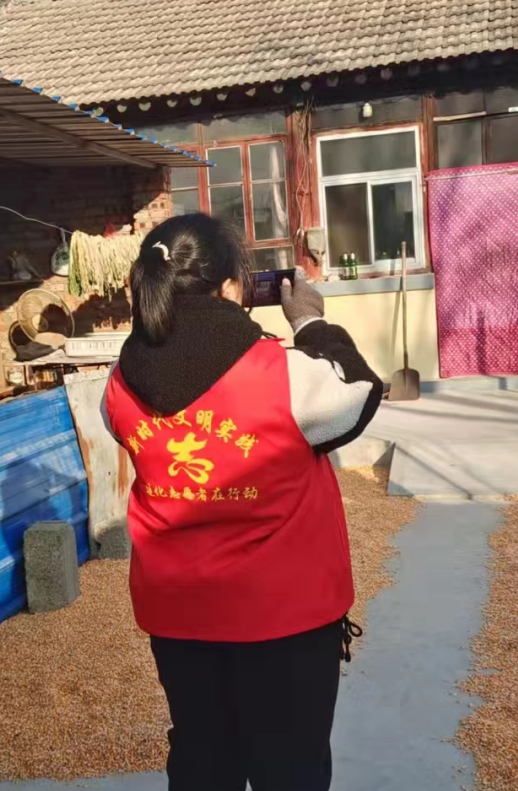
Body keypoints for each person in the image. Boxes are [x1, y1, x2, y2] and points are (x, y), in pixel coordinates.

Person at [103, 214, 382, 791]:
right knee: (291, 768)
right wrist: (310, 322)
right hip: (285, 620)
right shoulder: (287, 376)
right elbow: (358, 391)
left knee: (203, 759)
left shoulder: (119, 383)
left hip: (179, 616)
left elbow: (127, 432)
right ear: (232, 288)